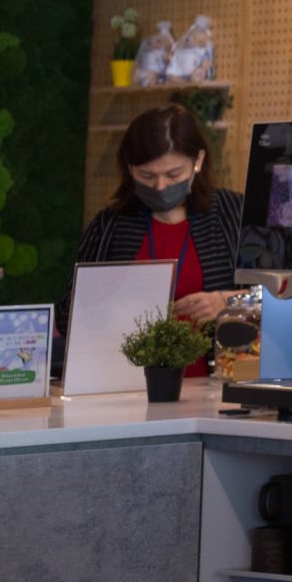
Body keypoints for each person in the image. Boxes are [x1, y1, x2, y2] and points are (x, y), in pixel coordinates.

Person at [71, 104, 245, 378]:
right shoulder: (111, 225)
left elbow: (284, 298)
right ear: (129, 169)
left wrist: (227, 302)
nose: (161, 187)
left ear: (198, 160)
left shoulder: (234, 215)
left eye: (173, 175)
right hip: (126, 387)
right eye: (147, 176)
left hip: (217, 385)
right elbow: (70, 312)